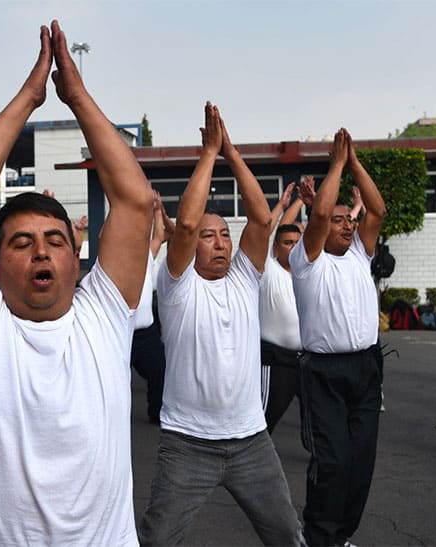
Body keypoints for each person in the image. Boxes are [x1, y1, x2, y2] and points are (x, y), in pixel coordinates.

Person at [0, 21, 153, 545]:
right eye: (20, 242)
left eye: (55, 240)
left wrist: (76, 96)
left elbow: (136, 202)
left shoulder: (104, 314)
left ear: (76, 258)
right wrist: (33, 96)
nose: (40, 251)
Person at [138, 102, 302, 546]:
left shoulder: (247, 278)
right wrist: (209, 153)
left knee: (288, 535)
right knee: (158, 540)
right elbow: (186, 222)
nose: (218, 243)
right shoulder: (177, 284)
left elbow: (263, 218)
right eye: (209, 237)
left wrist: (230, 150)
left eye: (224, 235)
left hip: (252, 442)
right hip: (187, 445)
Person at [290, 128, 386, 547]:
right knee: (333, 462)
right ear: (321, 224)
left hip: (366, 366)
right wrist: (335, 166)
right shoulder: (306, 260)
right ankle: (318, 536)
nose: (348, 226)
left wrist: (354, 163)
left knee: (361, 462)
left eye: (351, 220)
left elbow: (377, 210)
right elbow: (319, 216)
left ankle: (341, 535)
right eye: (339, 220)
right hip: (323, 372)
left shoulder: (361, 255)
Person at [260, 182, 305, 433]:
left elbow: (289, 233)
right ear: (277, 247)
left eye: (298, 243)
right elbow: (265, 233)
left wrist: (304, 201)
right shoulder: (269, 271)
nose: (294, 247)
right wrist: (285, 205)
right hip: (275, 360)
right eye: (288, 243)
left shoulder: (306, 273)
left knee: (317, 416)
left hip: (306, 360)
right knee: (266, 420)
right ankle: (251, 465)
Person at [131, 190, 171, 424]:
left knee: (160, 372)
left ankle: (156, 413)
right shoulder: (111, 263)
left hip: (146, 333)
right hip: (120, 333)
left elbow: (159, 236)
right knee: (114, 381)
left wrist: (157, 210)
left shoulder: (146, 256)